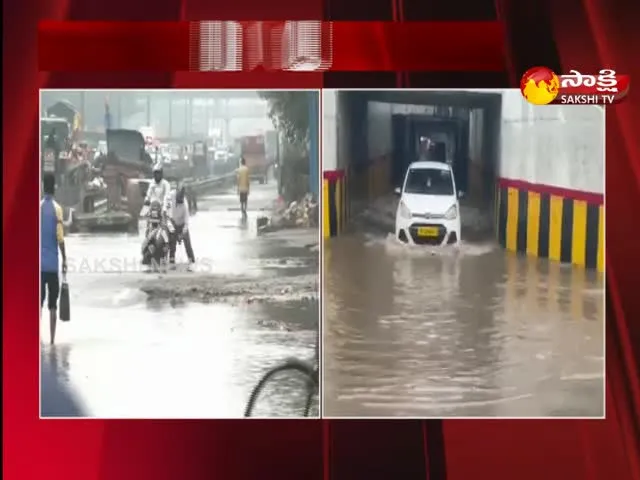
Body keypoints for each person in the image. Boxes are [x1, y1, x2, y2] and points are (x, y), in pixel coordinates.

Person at [41, 173, 67, 345]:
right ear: (54, 187)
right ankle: (51, 340)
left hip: (38, 266)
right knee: (52, 304)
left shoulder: (38, 207)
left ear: (43, 186)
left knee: (38, 303)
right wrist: (65, 259)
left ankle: (35, 337)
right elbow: (60, 238)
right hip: (52, 265)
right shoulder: (57, 209)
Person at [166, 184, 195, 266]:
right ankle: (171, 262)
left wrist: (182, 234)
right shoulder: (170, 196)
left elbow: (186, 223)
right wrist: (172, 229)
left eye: (181, 199)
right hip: (172, 222)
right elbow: (167, 215)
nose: (179, 201)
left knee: (188, 245)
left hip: (182, 225)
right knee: (172, 245)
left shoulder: (185, 205)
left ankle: (192, 262)